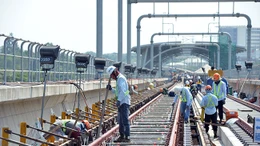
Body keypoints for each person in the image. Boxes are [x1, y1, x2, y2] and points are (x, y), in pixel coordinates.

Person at [106, 66, 131, 142]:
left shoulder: (121, 79)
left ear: (114, 72)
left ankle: (126, 136)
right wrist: (111, 89)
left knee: (124, 120)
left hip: (124, 102)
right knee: (120, 121)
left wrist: (119, 100)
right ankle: (122, 135)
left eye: (112, 76)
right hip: (122, 102)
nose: (112, 78)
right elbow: (118, 92)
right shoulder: (119, 79)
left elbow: (123, 92)